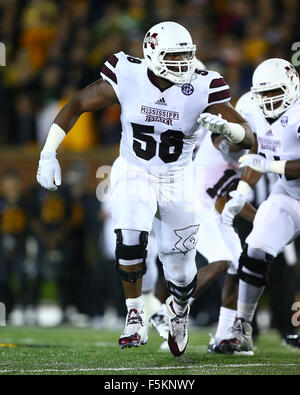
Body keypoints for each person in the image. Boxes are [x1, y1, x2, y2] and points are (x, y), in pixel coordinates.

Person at [36, 21, 254, 356]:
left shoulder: (202, 85)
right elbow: (77, 103)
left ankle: (179, 311)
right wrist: (48, 153)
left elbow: (249, 138)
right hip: (134, 170)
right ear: (152, 54)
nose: (183, 63)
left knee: (180, 269)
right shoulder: (128, 74)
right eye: (174, 55)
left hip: (179, 178)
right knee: (130, 238)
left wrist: (230, 129)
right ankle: (135, 312)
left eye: (187, 55)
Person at [220, 58, 300, 354]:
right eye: (262, 94)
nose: (268, 100)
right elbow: (254, 153)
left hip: (286, 182)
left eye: (274, 92)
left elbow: (265, 162)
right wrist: (242, 191)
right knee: (255, 250)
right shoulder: (250, 107)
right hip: (290, 194)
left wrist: (271, 166)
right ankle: (242, 327)